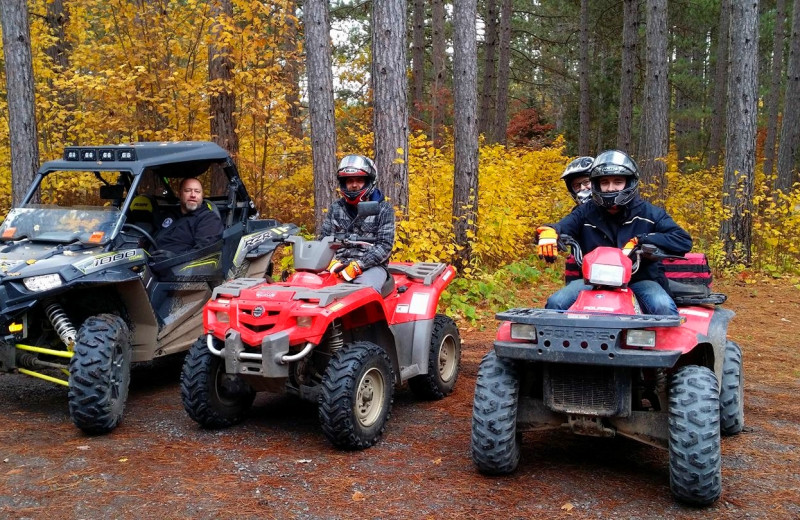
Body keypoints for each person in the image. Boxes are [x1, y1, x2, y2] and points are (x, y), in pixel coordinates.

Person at [537, 150, 692, 316]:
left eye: (618, 182)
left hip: (639, 280)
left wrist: (642, 241)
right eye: (604, 182)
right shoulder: (584, 212)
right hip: (592, 282)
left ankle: (662, 341)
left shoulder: (650, 214)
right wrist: (549, 233)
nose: (610, 188)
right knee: (556, 302)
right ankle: (558, 341)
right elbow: (562, 226)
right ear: (597, 184)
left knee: (662, 305)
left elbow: (683, 240)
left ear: (629, 182)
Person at [320, 154, 395, 293]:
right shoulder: (336, 208)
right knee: (308, 283)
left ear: (369, 181)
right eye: (350, 180)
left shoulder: (383, 209)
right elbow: (324, 239)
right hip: (338, 264)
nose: (354, 185)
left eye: (359, 180)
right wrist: (331, 263)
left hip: (371, 266)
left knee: (364, 293)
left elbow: (385, 246)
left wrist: (358, 265)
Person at [154, 177, 224, 255]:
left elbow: (203, 252)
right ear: (180, 194)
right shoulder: (169, 214)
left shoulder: (209, 219)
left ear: (202, 196)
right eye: (188, 191)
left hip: (177, 264)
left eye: (197, 191)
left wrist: (172, 258)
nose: (193, 195)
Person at [560, 156, 594, 283]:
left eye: (586, 182)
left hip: (623, 272)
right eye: (576, 185)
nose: (583, 188)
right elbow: (564, 227)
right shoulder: (576, 213)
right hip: (583, 273)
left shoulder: (618, 209)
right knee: (558, 302)